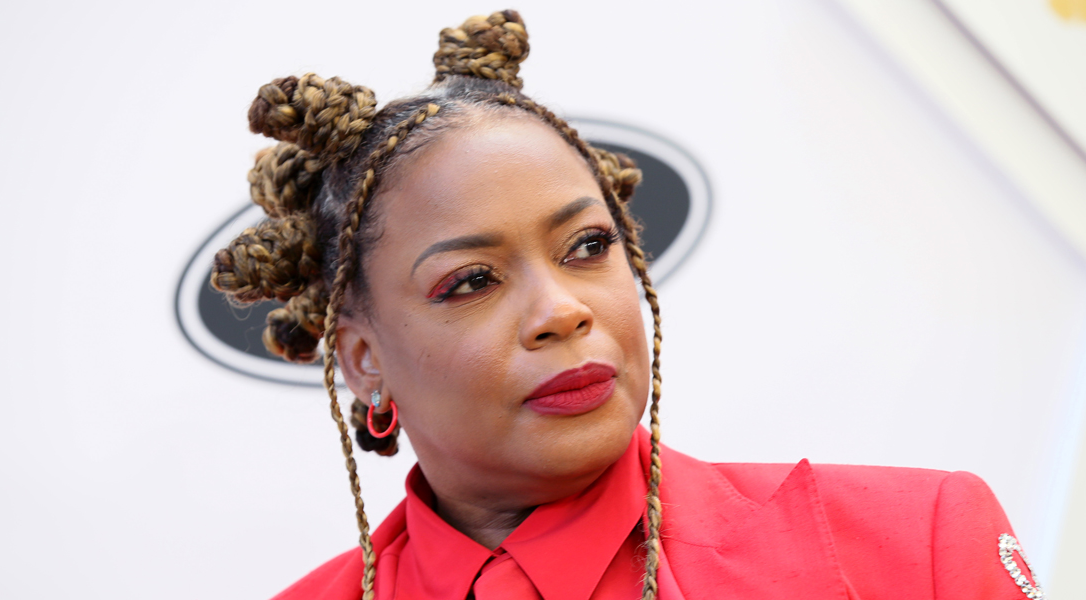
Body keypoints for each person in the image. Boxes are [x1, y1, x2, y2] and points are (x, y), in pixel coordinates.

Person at [209, 10, 1044, 600]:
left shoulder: (915, 547)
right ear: (363, 360)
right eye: (471, 281)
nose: (562, 310)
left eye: (587, 247)